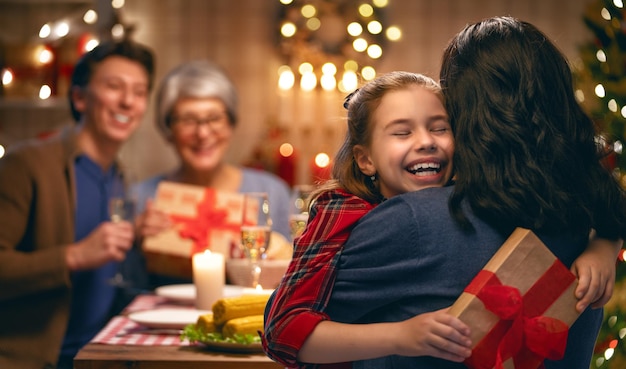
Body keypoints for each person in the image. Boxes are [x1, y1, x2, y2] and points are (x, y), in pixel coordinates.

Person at [295, 16, 626, 369]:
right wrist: (606, 244)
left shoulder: (412, 221)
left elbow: (291, 329)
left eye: (440, 121)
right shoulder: (583, 215)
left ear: (464, 116)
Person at [0, 39, 155, 369]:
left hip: (97, 357)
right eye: (114, 87)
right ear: (80, 98)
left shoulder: (119, 176)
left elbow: (107, 273)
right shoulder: (26, 163)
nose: (128, 101)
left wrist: (139, 240)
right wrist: (73, 256)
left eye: (140, 92)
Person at [132, 60, 291, 287]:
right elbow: (126, 292)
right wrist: (135, 241)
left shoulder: (271, 192)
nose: (203, 133)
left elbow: (295, 280)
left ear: (231, 124)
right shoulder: (142, 196)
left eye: (214, 118)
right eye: (188, 120)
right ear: (168, 130)